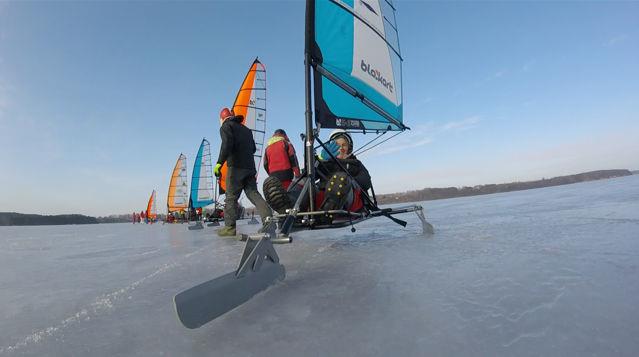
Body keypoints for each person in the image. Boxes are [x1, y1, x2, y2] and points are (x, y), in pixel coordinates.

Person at [214, 107, 272, 237]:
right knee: (254, 194)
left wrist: (219, 163)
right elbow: (253, 149)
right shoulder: (246, 130)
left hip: (235, 168)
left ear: (222, 119)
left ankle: (229, 228)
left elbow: (227, 144)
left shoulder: (225, 127)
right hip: (250, 167)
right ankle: (269, 221)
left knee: (231, 197)